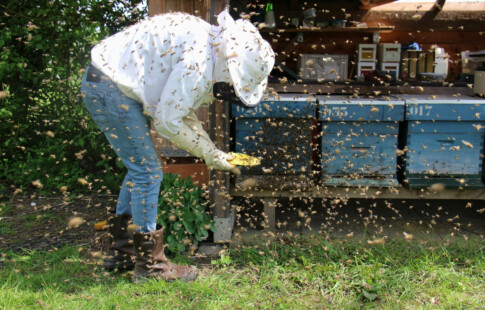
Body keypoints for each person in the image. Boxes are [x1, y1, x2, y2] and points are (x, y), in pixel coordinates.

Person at [80, 9, 275, 283]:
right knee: (148, 172)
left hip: (107, 83)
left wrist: (211, 150)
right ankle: (151, 268)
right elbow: (168, 123)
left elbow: (180, 111)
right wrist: (209, 153)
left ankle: (120, 252)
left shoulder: (207, 42)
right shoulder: (198, 63)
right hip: (110, 89)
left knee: (139, 168)